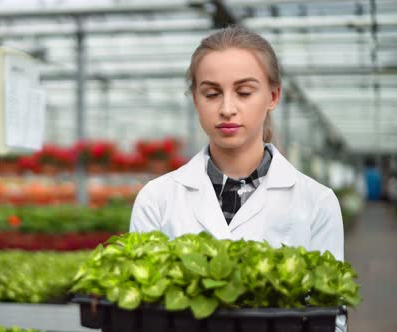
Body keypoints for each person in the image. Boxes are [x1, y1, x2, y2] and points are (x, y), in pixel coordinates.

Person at [129, 26, 346, 331]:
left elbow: (330, 318)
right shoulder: (157, 198)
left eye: (244, 92)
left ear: (273, 96)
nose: (227, 109)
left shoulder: (317, 202)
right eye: (211, 93)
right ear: (195, 98)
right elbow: (137, 315)